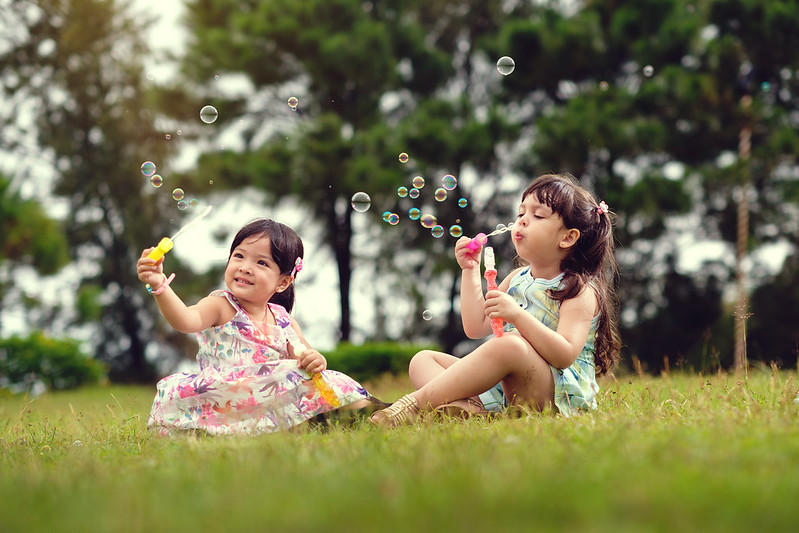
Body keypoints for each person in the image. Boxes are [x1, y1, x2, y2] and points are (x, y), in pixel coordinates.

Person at [371, 173, 621, 426]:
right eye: (521, 213)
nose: (522, 221)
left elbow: (565, 354)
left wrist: (517, 316)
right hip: (506, 391)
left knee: (510, 345)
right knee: (423, 360)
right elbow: (475, 326)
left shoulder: (578, 291)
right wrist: (470, 270)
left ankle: (411, 406)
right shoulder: (517, 279)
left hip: (554, 397)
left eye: (537, 215)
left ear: (567, 238)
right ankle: (472, 410)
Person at [138, 218, 378, 435]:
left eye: (261, 262)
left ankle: (370, 412)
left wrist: (315, 360)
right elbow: (185, 321)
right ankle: (353, 416)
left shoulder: (283, 319)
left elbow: (304, 357)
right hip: (228, 397)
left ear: (283, 282)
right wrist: (160, 285)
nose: (245, 267)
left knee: (312, 376)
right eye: (239, 256)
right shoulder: (220, 305)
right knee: (289, 374)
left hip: (266, 402)